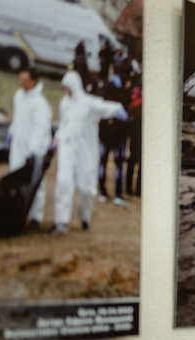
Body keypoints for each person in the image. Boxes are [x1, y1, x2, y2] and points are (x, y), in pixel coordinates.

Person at [52, 71, 128, 234]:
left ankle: (85, 217)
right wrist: (57, 138)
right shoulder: (65, 104)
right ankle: (61, 221)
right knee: (63, 182)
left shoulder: (89, 103)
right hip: (67, 148)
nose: (67, 91)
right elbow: (64, 124)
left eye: (68, 88)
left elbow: (104, 106)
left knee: (86, 187)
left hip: (85, 151)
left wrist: (118, 110)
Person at [7, 67, 52, 226]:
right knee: (15, 175)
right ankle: (16, 210)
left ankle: (35, 216)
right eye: (20, 79)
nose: (21, 82)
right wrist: (12, 132)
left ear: (33, 82)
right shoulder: (19, 96)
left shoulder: (40, 105)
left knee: (34, 182)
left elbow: (41, 129)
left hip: (33, 147)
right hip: (18, 144)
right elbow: (17, 117)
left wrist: (33, 149)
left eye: (24, 80)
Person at [98, 74, 130, 205]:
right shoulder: (121, 98)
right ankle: (117, 194)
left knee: (102, 163)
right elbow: (125, 118)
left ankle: (102, 192)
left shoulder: (102, 96)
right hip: (117, 137)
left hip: (104, 135)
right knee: (118, 165)